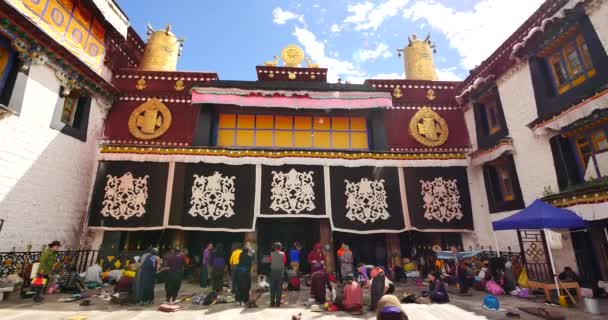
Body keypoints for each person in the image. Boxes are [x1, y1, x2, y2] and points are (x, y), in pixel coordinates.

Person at [269, 242, 286, 307]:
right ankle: (278, 303)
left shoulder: (271, 254)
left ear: (274, 247)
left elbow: (271, 261)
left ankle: (272, 303)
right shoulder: (283, 254)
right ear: (280, 247)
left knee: (272, 288)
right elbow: (284, 262)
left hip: (273, 272)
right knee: (279, 288)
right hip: (280, 272)